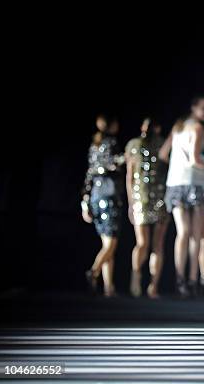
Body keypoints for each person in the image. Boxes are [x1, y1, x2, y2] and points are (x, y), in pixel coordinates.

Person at [161, 97, 204, 298]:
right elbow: (195, 160)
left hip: (175, 183)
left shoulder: (178, 126)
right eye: (203, 108)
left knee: (184, 233)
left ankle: (181, 279)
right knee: (194, 235)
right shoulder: (199, 129)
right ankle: (191, 280)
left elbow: (164, 154)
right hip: (194, 182)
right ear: (193, 108)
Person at [125, 117, 169, 298]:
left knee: (152, 244)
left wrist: (131, 202)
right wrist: (131, 203)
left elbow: (130, 177)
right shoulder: (136, 144)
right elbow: (130, 176)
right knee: (146, 244)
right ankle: (140, 282)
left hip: (155, 197)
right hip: (143, 198)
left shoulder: (161, 144)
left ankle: (151, 286)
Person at [81, 114, 125, 297]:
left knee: (107, 243)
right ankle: (94, 271)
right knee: (111, 243)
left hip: (95, 197)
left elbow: (89, 175)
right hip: (108, 196)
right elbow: (113, 164)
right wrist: (125, 159)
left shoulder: (94, 146)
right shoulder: (110, 143)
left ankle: (109, 287)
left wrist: (85, 203)